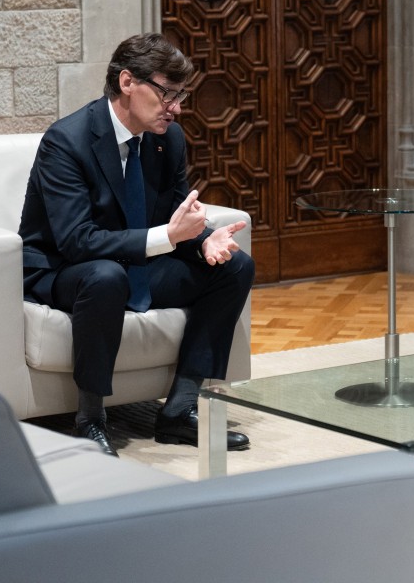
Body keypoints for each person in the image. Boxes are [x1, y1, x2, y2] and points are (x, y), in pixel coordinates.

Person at [20, 33, 256, 457]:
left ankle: (180, 410)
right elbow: (76, 240)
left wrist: (205, 240)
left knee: (235, 266)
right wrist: (169, 236)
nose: (176, 107)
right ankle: (90, 420)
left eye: (181, 95)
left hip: (131, 266)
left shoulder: (169, 140)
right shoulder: (66, 141)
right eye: (167, 93)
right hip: (63, 271)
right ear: (127, 82)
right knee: (105, 276)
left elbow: (175, 217)